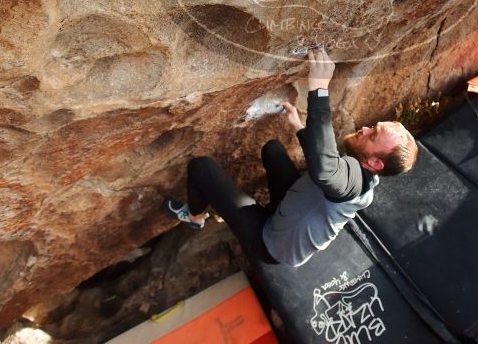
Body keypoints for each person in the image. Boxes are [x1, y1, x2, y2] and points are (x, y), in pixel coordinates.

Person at [163, 47, 419, 266]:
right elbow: (327, 165)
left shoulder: (355, 183)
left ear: (375, 163)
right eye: (374, 126)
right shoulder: (362, 175)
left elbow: (327, 170)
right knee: (273, 150)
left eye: (373, 135)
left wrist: (318, 87)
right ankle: (253, 205)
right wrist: (299, 126)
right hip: (288, 207)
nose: (365, 129)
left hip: (269, 242)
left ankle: (195, 217)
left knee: (201, 168)